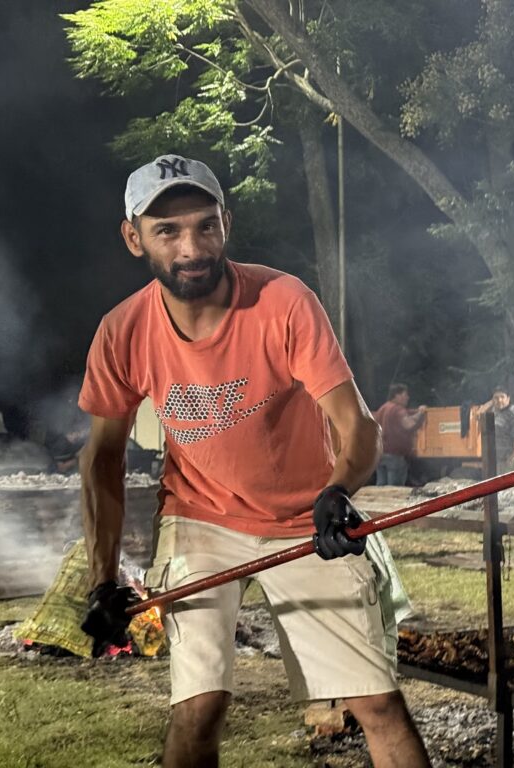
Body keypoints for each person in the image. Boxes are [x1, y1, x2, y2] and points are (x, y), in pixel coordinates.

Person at [76, 154, 430, 768]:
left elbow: (359, 427)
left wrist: (339, 491)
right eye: (168, 231)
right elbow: (101, 459)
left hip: (303, 519)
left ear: (226, 224)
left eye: (205, 226)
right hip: (202, 518)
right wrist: (102, 577)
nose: (192, 247)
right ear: (133, 238)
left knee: (376, 703)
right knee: (199, 706)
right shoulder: (122, 331)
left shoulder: (283, 301)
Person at [372, 383, 426, 486]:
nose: (407, 397)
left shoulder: (383, 408)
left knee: (380, 488)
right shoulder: (397, 409)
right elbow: (408, 424)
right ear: (397, 395)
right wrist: (420, 413)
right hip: (395, 456)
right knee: (394, 488)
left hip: (380, 455)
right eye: (405, 395)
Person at [475, 385, 514, 474]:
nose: (499, 400)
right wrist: (492, 401)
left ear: (508, 398)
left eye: (502, 397)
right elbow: (479, 414)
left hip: (511, 460)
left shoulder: (513, 413)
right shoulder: (494, 411)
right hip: (499, 461)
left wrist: (513, 456)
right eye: (496, 398)